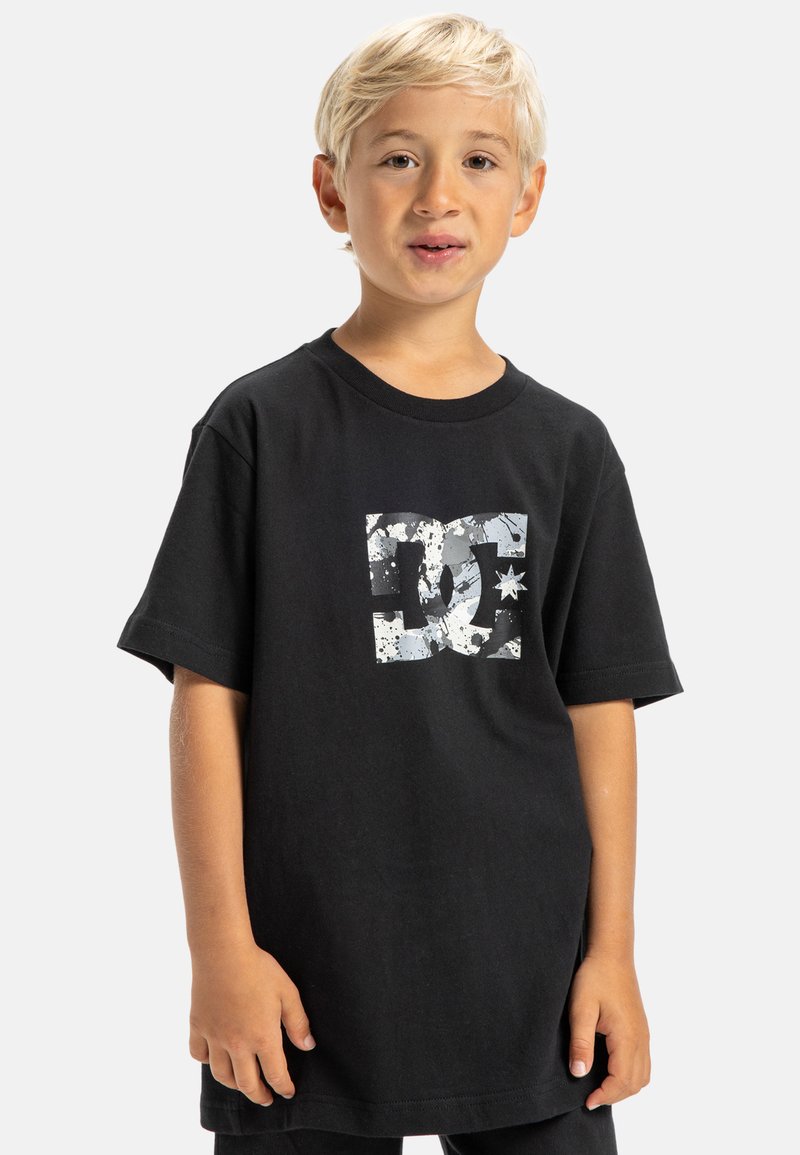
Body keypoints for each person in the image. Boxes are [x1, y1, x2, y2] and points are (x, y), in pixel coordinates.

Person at [116, 13, 683, 1154]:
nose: (438, 197)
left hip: (528, 984)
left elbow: (600, 708)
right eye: (397, 159)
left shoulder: (569, 450)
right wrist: (219, 950)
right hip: (301, 989)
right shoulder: (257, 429)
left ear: (526, 196)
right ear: (331, 191)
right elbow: (206, 699)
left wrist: (612, 952)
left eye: (478, 159)